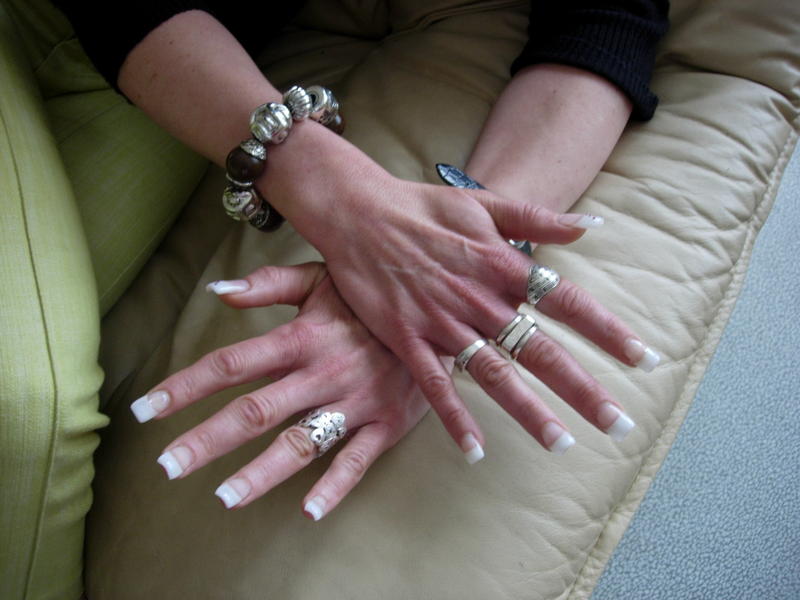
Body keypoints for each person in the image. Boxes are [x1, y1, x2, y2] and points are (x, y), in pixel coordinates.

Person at [54, 0, 669, 521]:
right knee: (29, 411)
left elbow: (608, 19)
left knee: (40, 427)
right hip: (98, 39)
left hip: (190, 66)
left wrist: (463, 261)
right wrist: (350, 202)